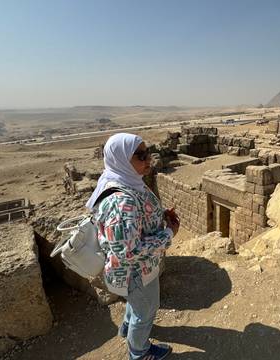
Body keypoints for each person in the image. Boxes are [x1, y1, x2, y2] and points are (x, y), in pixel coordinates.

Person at [86, 133, 179, 360]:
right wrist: (168, 233)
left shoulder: (124, 179)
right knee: (146, 310)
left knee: (137, 304)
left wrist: (158, 216)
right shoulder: (121, 201)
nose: (148, 159)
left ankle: (128, 329)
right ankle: (139, 352)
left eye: (148, 153)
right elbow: (129, 252)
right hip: (136, 271)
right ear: (121, 158)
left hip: (135, 271)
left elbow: (135, 219)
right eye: (140, 155)